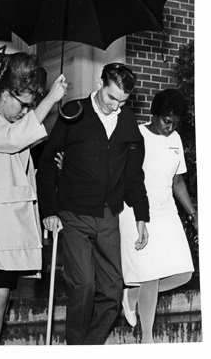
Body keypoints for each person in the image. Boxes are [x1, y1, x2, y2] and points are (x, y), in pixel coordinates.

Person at [36, 62, 150, 345]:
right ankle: (76, 346)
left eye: (122, 101)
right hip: (73, 213)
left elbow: (134, 175)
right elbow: (48, 163)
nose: (116, 107)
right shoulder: (74, 112)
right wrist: (49, 210)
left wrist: (141, 216)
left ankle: (89, 347)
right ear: (100, 84)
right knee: (84, 285)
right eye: (112, 98)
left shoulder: (127, 121)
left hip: (108, 215)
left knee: (112, 292)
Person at [0, 52, 67, 345]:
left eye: (31, 106)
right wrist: (51, 99)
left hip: (8, 229)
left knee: (1, 297)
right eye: (24, 104)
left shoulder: (16, 126)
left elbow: (21, 165)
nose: (26, 112)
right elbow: (11, 140)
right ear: (4, 93)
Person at [120, 88, 198, 344]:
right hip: (135, 211)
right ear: (154, 114)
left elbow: (177, 182)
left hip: (166, 212)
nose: (170, 127)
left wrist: (193, 214)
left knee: (184, 273)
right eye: (167, 121)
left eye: (175, 123)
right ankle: (147, 339)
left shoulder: (175, 140)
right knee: (151, 274)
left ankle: (132, 295)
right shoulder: (136, 135)